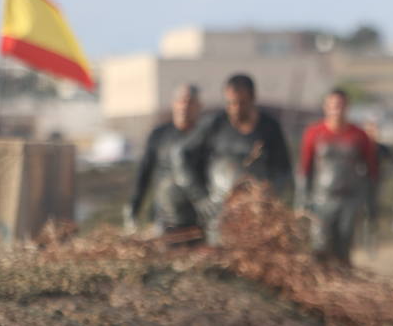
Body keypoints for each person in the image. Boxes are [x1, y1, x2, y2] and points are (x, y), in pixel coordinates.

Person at [197, 73, 293, 244]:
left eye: (241, 103)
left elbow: (284, 170)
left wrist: (270, 192)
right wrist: (200, 196)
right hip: (221, 211)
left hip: (257, 213)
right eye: (230, 103)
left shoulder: (269, 127)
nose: (235, 109)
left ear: (252, 99)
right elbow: (185, 156)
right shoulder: (214, 125)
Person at [297, 89, 379, 265]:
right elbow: (305, 169)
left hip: (349, 199)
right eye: (333, 106)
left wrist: (369, 203)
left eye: (341, 106)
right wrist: (302, 201)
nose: (337, 110)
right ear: (325, 107)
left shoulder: (359, 135)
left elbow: (371, 170)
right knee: (320, 246)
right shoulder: (314, 133)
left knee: (343, 245)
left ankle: (343, 282)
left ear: (347, 107)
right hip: (322, 199)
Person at [126, 84, 209, 243]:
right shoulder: (159, 135)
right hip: (165, 219)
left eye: (190, 102)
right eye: (181, 101)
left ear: (199, 106)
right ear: (174, 104)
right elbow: (144, 174)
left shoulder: (206, 136)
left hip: (199, 220)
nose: (185, 106)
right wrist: (134, 211)